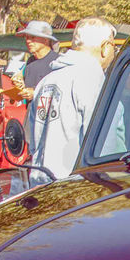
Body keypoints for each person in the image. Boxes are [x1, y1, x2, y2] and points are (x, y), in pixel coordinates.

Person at [28, 17, 117, 180]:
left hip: (39, 183)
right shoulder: (93, 80)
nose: (113, 52)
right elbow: (104, 148)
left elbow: (32, 141)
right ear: (105, 47)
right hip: (75, 187)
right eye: (113, 46)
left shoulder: (46, 81)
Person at [10, 20, 60, 101]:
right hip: (31, 112)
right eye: (26, 37)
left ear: (46, 40)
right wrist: (20, 86)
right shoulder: (30, 62)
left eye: (33, 37)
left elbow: (61, 91)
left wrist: (35, 93)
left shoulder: (57, 62)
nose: (28, 41)